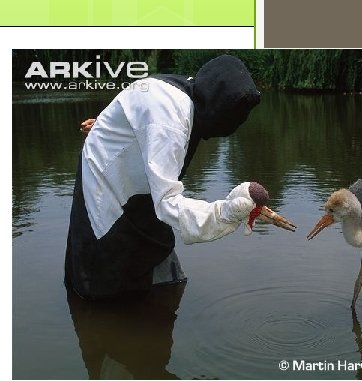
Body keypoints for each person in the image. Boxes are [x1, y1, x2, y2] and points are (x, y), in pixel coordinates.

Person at [65, 55, 264, 300]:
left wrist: (110, 128)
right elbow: (167, 204)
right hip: (105, 181)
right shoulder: (168, 120)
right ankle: (110, 311)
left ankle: (158, 306)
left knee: (156, 245)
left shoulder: (188, 91)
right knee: (110, 260)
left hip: (137, 177)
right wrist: (227, 212)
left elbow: (133, 116)